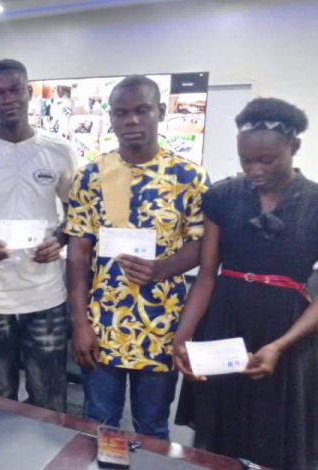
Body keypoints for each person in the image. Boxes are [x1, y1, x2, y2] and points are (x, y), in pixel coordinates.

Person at [174, 98, 318, 469]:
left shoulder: (315, 202)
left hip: (288, 332)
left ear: (294, 147)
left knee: (276, 436)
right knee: (217, 433)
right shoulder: (222, 196)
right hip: (224, 322)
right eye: (245, 160)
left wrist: (280, 346)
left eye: (266, 160)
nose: (254, 169)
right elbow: (208, 274)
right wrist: (183, 335)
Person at [64, 75, 208, 440]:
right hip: (102, 323)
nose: (131, 121)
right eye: (121, 112)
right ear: (111, 117)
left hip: (162, 324)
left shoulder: (189, 177)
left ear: (160, 112)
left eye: (142, 110)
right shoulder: (90, 176)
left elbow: (203, 245)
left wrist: (161, 269)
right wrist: (79, 323)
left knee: (153, 428)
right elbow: (78, 256)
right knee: (99, 424)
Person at [0, 59, 77, 411]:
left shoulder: (59, 151)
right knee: (0, 393)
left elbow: (80, 215)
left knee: (48, 393)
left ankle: (49, 449)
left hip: (45, 294)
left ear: (29, 92)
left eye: (14, 90)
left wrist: (60, 239)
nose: (7, 99)